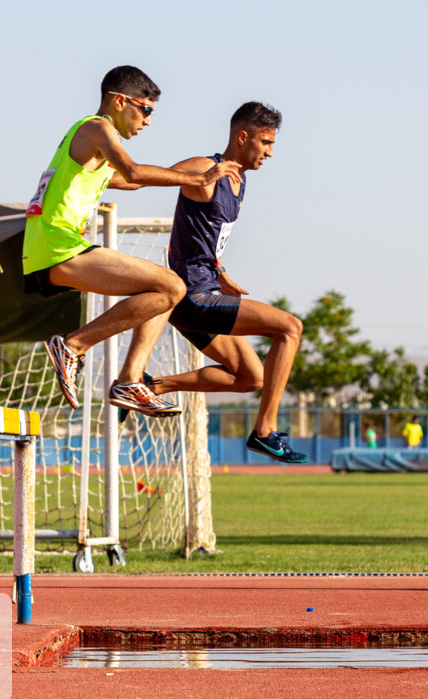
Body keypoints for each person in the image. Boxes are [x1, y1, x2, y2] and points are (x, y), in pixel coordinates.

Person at [25, 65, 241, 417]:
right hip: (57, 245)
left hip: (51, 248)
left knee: (166, 290)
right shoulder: (97, 128)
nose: (148, 121)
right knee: (171, 285)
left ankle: (129, 381)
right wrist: (205, 175)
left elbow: (132, 183)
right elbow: (134, 171)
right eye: (147, 110)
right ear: (120, 100)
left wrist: (190, 175)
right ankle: (74, 346)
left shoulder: (92, 146)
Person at [140, 102, 308, 462]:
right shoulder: (206, 168)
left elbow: (206, 236)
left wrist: (220, 272)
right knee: (290, 328)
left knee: (252, 378)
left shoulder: (239, 181)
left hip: (206, 290)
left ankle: (153, 385)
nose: (270, 152)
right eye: (265, 142)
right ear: (242, 137)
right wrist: (113, 174)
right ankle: (264, 431)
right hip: (193, 297)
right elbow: (147, 175)